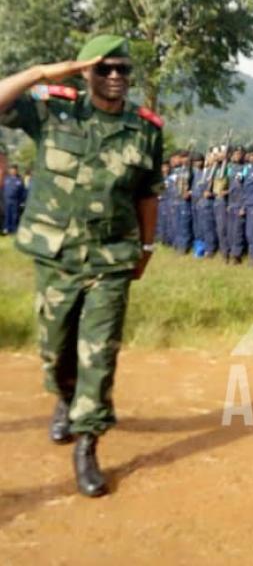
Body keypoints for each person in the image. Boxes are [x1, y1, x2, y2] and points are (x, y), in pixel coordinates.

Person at [0, 34, 163, 497]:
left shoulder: (145, 128)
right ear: (87, 71)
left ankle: (87, 442)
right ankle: (65, 396)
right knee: (55, 347)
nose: (115, 77)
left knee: (100, 351)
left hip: (111, 259)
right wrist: (42, 73)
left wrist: (146, 250)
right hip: (57, 256)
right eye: (104, 68)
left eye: (123, 70)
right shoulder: (54, 109)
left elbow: (149, 192)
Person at [2, 163, 26, 234]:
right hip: (7, 200)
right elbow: (4, 189)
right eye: (11, 170)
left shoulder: (19, 180)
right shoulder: (7, 178)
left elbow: (23, 192)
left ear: (16, 171)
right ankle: (6, 228)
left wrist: (21, 201)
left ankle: (13, 230)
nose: (12, 171)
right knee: (7, 215)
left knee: (14, 215)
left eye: (14, 170)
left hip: (15, 201)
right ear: (9, 170)